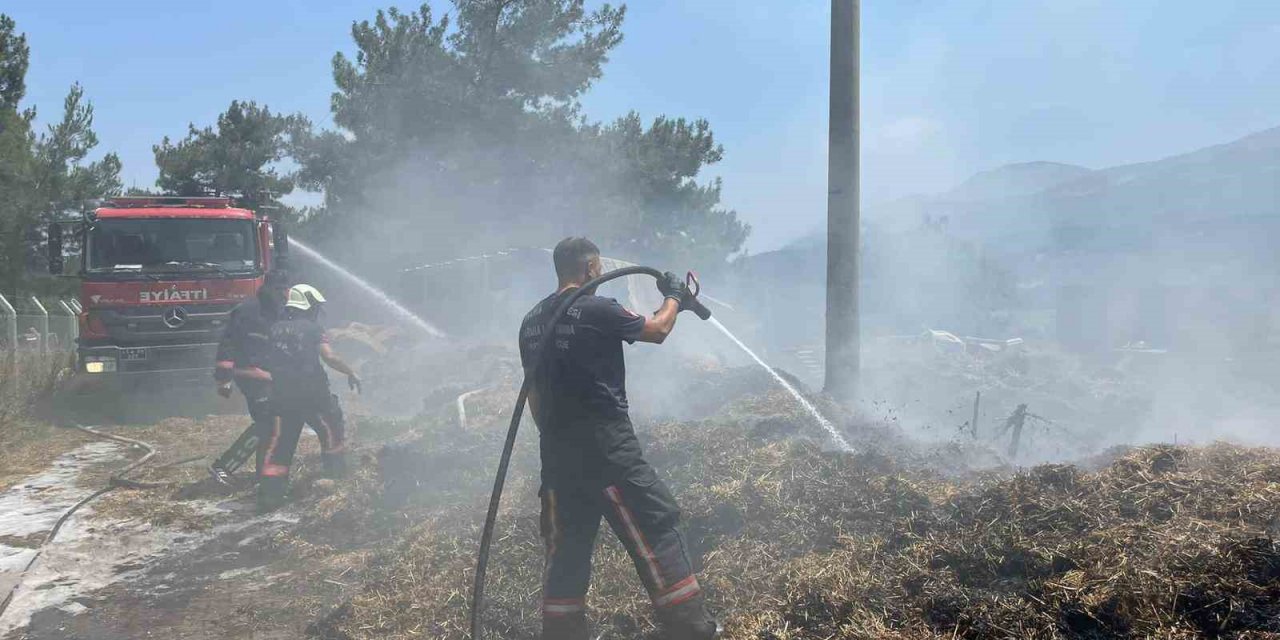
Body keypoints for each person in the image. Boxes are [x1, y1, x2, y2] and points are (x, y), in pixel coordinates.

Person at [519, 237, 719, 640]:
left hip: (556, 456)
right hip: (607, 448)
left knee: (567, 548)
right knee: (655, 526)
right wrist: (676, 298)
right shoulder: (597, 308)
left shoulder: (531, 321)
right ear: (591, 267)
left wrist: (557, 449)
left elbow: (535, 399)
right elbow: (658, 329)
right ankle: (691, 629)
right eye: (598, 268)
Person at [257, 284, 361, 512]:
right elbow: (329, 356)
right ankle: (335, 481)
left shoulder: (274, 329)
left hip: (282, 396)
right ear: (309, 306)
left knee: (280, 444)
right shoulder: (314, 329)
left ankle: (271, 496)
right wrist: (350, 371)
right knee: (331, 429)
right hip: (313, 394)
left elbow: (266, 360)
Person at [210, 270, 290, 485]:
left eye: (286, 290)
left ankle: (263, 473)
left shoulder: (279, 311)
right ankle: (224, 466)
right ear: (270, 289)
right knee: (267, 421)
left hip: (268, 376)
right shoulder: (247, 310)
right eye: (281, 290)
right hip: (249, 374)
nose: (285, 295)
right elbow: (228, 343)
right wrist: (223, 378)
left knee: (272, 423)